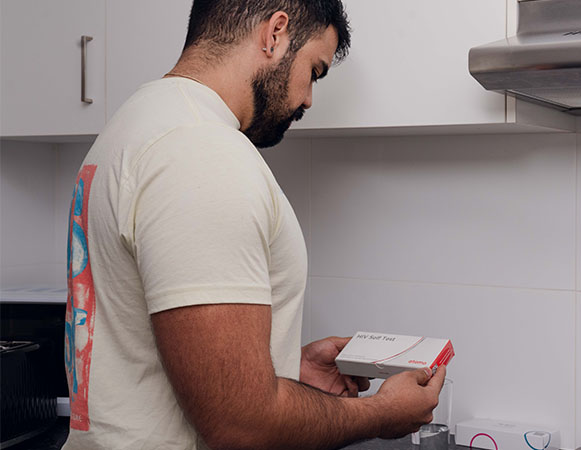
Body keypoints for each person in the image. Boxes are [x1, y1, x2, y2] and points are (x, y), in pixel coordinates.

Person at [62, 1, 446, 449]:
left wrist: (284, 368)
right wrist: (382, 412)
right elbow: (240, 425)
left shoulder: (138, 124)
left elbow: (148, 349)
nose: (308, 98)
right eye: (314, 71)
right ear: (275, 33)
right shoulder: (202, 152)